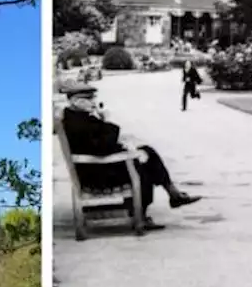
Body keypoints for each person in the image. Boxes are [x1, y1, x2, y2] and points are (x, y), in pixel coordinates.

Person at [60, 83, 202, 229]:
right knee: (142, 167)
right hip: (95, 173)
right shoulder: (77, 122)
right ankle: (143, 214)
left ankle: (173, 195)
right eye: (90, 99)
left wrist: (125, 146)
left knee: (147, 152)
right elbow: (101, 147)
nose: (94, 102)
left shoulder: (77, 116)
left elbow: (99, 142)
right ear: (77, 101)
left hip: (95, 166)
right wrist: (107, 121)